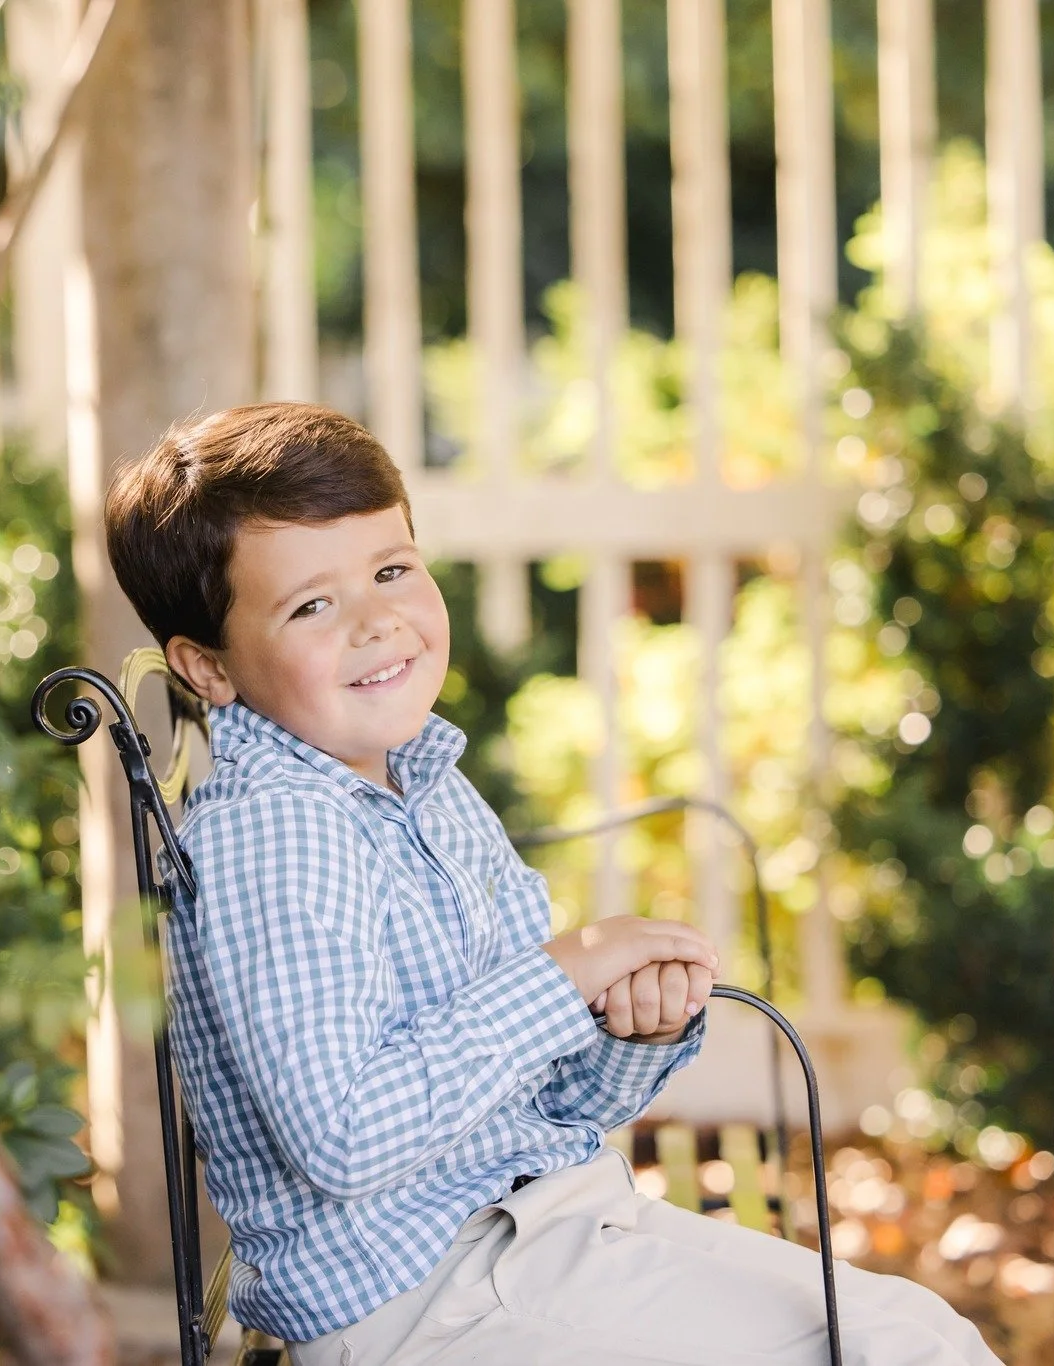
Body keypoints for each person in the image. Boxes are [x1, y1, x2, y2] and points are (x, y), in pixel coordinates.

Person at [101, 403, 1001, 1365]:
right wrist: (568, 968)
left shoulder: (426, 789)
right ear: (209, 666)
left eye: (393, 570)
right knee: (898, 1353)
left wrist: (628, 1030)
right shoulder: (276, 829)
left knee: (906, 1336)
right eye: (312, 605)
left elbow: (553, 1104)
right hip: (424, 1300)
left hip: (546, 1231)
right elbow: (347, 1138)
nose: (378, 623)